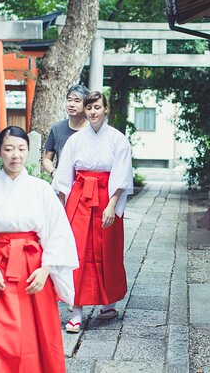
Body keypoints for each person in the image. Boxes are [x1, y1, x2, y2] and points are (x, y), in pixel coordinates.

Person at [0, 126, 78, 373]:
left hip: (33, 270)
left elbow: (58, 233)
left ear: (28, 152)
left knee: (38, 334)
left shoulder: (41, 189)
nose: (15, 155)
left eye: (21, 149)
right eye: (8, 149)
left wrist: (46, 270)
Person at [52, 91, 134, 332]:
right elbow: (64, 175)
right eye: (89, 108)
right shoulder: (76, 140)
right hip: (80, 197)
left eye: (97, 107)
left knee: (106, 250)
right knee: (76, 252)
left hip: (106, 196)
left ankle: (108, 303)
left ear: (105, 109)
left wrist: (112, 204)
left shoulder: (117, 139)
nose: (93, 112)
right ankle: (76, 310)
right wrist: (60, 208)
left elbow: (122, 174)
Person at [42, 84, 90, 177]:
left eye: (77, 101)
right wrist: (53, 171)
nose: (71, 104)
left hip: (87, 183)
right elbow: (47, 158)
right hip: (62, 184)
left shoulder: (93, 130)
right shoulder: (57, 128)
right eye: (69, 100)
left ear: (86, 105)